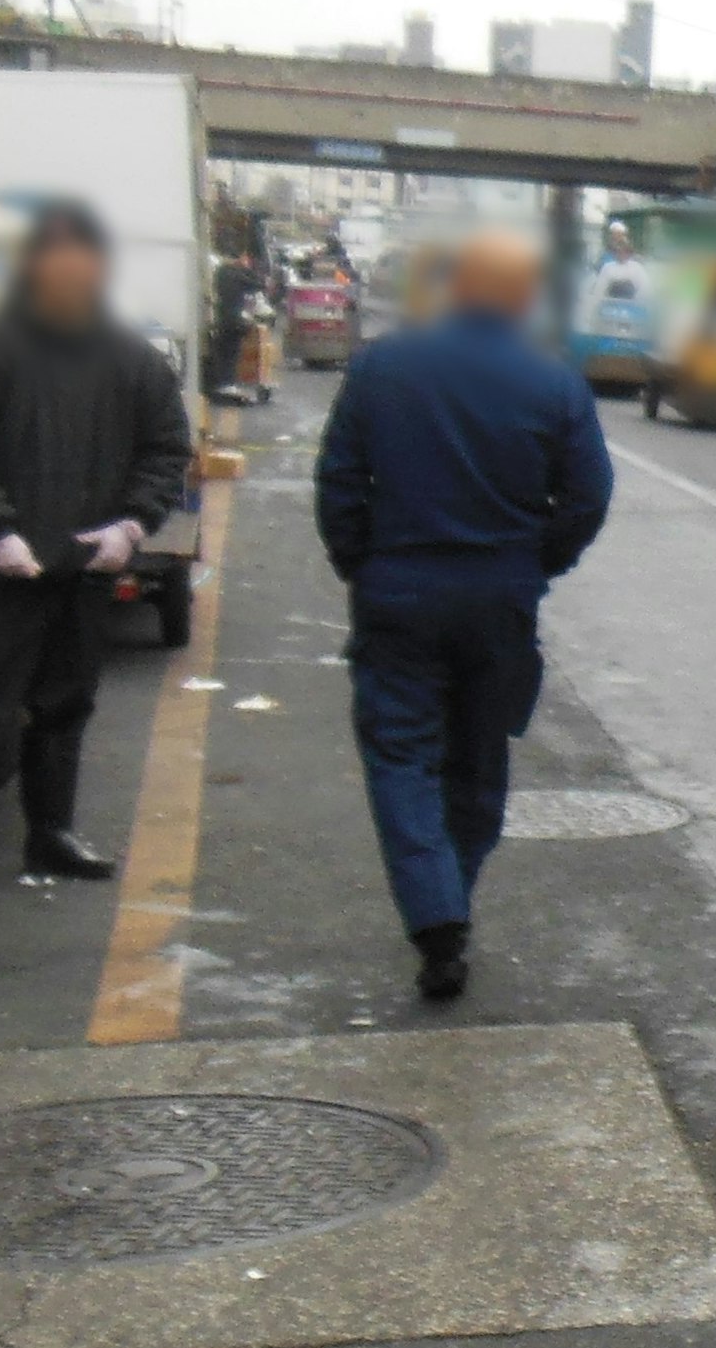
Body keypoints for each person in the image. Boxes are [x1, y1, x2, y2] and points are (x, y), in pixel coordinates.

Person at [318, 225, 613, 1002]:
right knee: (480, 758)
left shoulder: (382, 367)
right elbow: (587, 497)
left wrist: (363, 562)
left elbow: (340, 483)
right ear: (523, 297)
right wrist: (536, 561)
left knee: (402, 754)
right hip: (499, 599)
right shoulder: (553, 383)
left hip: (399, 593)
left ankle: (436, 914)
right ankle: (452, 899)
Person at [0, 200, 195, 904]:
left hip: (84, 566)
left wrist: (132, 523)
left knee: (65, 706)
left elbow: (166, 448)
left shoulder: (130, 356)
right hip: (0, 568)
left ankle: (52, 831)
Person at [207, 249, 266, 404]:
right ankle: (228, 383)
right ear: (239, 258)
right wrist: (246, 268)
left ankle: (224, 383)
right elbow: (258, 284)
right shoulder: (236, 273)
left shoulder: (220, 272)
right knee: (231, 352)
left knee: (223, 352)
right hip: (234, 319)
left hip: (222, 318)